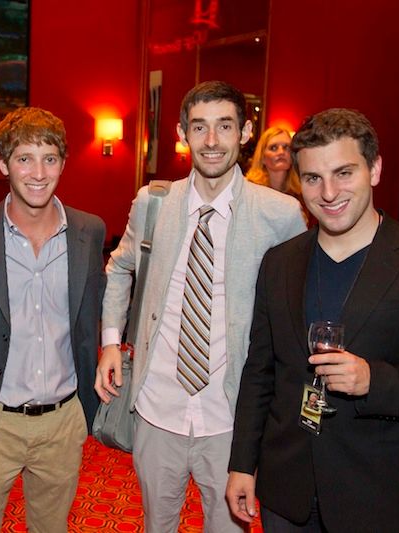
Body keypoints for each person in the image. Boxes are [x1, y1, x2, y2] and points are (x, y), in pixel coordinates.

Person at [226, 108, 399, 532]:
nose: (328, 192)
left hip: (378, 494)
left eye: (344, 173)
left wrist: (374, 380)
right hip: (287, 490)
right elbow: (260, 372)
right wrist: (242, 463)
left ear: (375, 169)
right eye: (313, 178)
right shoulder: (279, 263)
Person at [96, 81, 306, 533]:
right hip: (157, 407)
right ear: (182, 133)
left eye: (224, 126)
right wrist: (111, 342)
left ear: (245, 132)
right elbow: (120, 267)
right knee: (157, 525)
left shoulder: (280, 214)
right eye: (199, 127)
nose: (211, 140)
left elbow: (297, 308)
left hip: (232, 418)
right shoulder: (153, 202)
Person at [0, 106, 106, 533]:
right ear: (3, 164)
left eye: (49, 158)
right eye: (24, 158)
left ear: (63, 163)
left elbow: (96, 313)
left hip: (62, 421)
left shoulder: (89, 231)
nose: (38, 173)